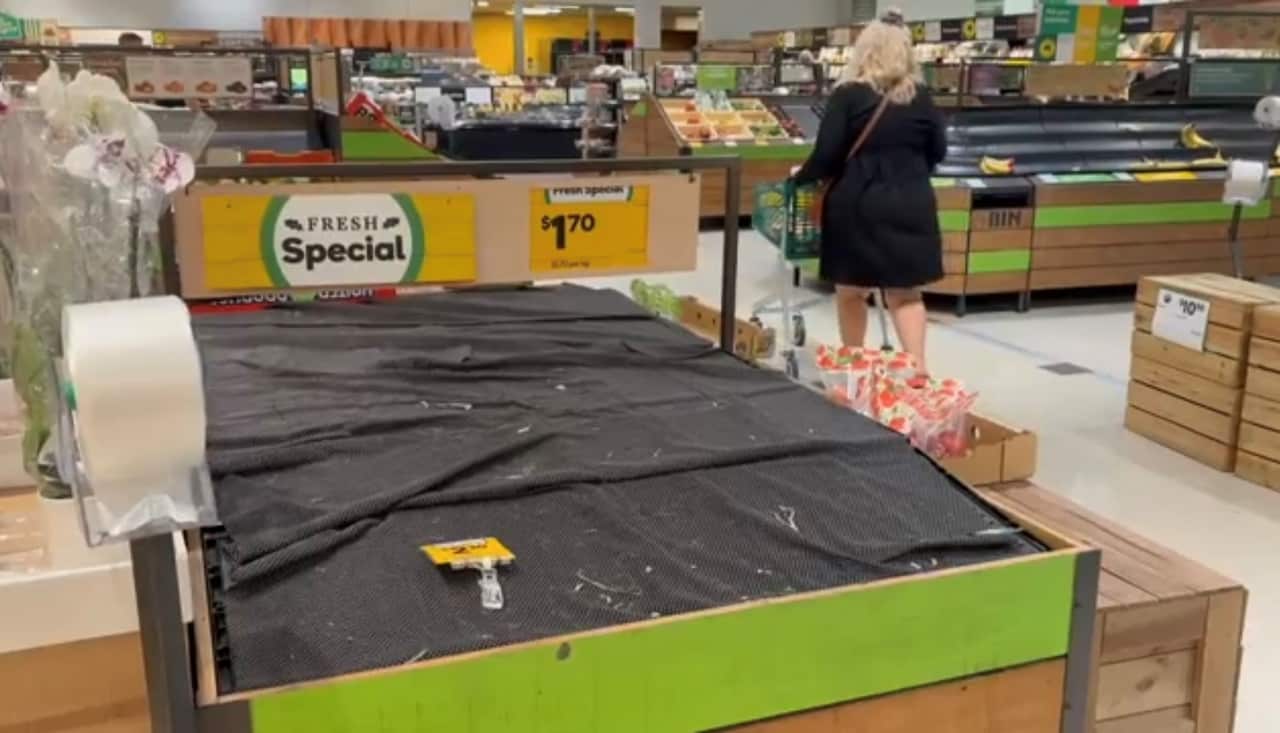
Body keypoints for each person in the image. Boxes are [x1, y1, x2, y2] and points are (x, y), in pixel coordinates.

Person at [793, 20, 946, 374]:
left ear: (864, 52)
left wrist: (801, 179)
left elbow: (827, 154)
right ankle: (918, 369)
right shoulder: (922, 98)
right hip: (911, 203)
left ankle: (855, 366)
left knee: (851, 291)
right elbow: (938, 151)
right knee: (905, 294)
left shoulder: (848, 95)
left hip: (857, 204)